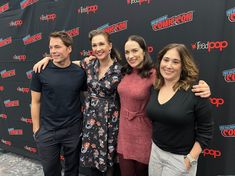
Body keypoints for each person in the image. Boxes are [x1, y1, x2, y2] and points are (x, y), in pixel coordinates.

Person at [33, 34, 211, 176]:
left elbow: (173, 79)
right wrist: (49, 59)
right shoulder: (98, 66)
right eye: (128, 52)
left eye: (135, 51)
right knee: (103, 165)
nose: (131, 55)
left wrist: (203, 87)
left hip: (123, 126)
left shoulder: (139, 72)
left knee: (120, 166)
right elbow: (68, 62)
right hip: (101, 123)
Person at [146, 43, 213, 176]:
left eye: (175, 62)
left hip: (180, 159)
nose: (169, 65)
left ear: (183, 66)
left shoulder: (196, 92)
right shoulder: (156, 87)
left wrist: (189, 159)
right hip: (156, 153)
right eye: (166, 60)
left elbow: (206, 131)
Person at [30, 31, 86, 176]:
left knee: (72, 170)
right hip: (47, 131)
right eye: (51, 48)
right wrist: (36, 130)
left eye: (58, 47)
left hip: (72, 129)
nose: (53, 51)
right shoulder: (40, 70)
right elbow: (35, 102)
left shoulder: (80, 72)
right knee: (50, 171)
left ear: (69, 49)